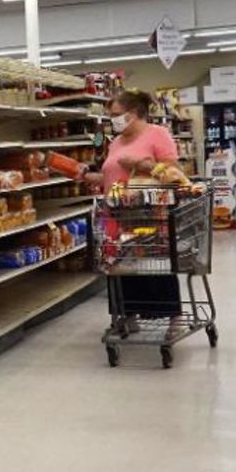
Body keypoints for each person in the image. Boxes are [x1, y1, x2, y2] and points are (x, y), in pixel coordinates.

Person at [84, 90, 183, 326]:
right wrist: (88, 176)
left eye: (117, 114)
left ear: (135, 113)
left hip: (149, 215)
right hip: (116, 214)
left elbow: (173, 174)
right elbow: (112, 176)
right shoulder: (116, 142)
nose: (113, 119)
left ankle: (172, 316)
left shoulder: (158, 134)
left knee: (155, 266)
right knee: (120, 266)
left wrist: (140, 164)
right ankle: (128, 313)